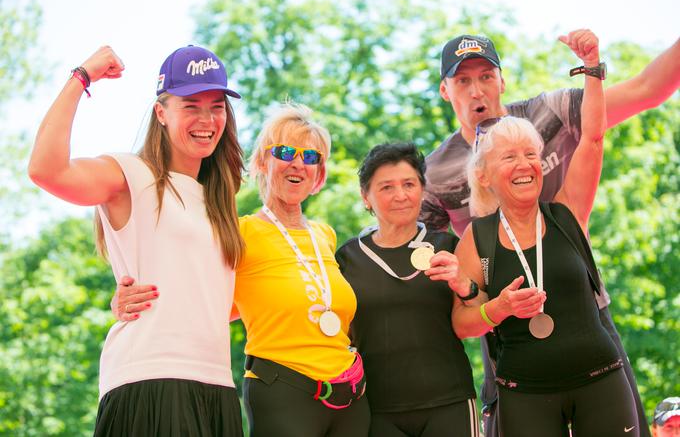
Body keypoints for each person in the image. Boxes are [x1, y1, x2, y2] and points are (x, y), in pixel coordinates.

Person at [421, 30, 680, 437]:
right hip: (508, 335)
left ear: (502, 81)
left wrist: (592, 67)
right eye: (463, 80)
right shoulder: (436, 174)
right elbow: (435, 269)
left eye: (486, 76)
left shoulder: (548, 112)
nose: (477, 90)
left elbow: (645, 92)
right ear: (444, 89)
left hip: (584, 313)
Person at [113, 103, 370, 436]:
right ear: (262, 162)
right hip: (283, 390)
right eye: (285, 151)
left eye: (310, 157)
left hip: (348, 395)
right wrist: (125, 299)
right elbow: (198, 295)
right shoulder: (237, 232)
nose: (297, 163)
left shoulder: (325, 235)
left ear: (319, 175)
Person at [28, 45, 245, 436]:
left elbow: (219, 300)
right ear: (161, 113)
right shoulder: (131, 175)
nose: (207, 119)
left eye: (217, 106)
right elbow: (47, 170)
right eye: (191, 105)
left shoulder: (220, 201)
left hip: (218, 386)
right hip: (151, 378)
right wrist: (82, 77)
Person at [336, 142, 479, 437]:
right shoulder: (347, 258)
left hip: (449, 401)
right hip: (377, 410)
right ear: (366, 197)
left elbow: (478, 317)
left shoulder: (448, 246)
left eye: (409, 184)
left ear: (423, 190)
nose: (400, 195)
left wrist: (465, 284)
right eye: (386, 187)